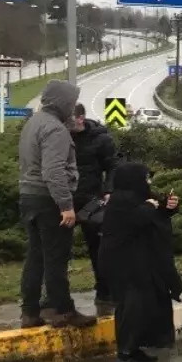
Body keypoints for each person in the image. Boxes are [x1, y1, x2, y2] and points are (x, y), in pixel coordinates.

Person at [18, 81, 97, 329]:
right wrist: (65, 205)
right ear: (61, 103)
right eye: (71, 103)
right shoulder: (55, 130)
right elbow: (53, 171)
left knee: (36, 256)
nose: (73, 109)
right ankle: (61, 310)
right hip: (49, 200)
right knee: (56, 257)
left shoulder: (33, 123)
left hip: (29, 197)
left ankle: (30, 313)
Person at [99, 162, 182, 362]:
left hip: (138, 261)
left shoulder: (136, 197)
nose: (148, 182)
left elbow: (152, 219)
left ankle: (135, 349)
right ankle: (125, 354)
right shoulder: (120, 200)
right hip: (122, 263)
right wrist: (150, 206)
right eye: (145, 178)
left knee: (145, 306)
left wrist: (167, 207)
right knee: (131, 307)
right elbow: (136, 219)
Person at [70, 103, 117, 316]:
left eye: (71, 118)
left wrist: (109, 190)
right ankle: (56, 300)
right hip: (66, 201)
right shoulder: (61, 137)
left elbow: (112, 166)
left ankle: (105, 292)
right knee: (59, 251)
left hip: (92, 200)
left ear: (81, 118)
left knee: (99, 249)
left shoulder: (101, 138)